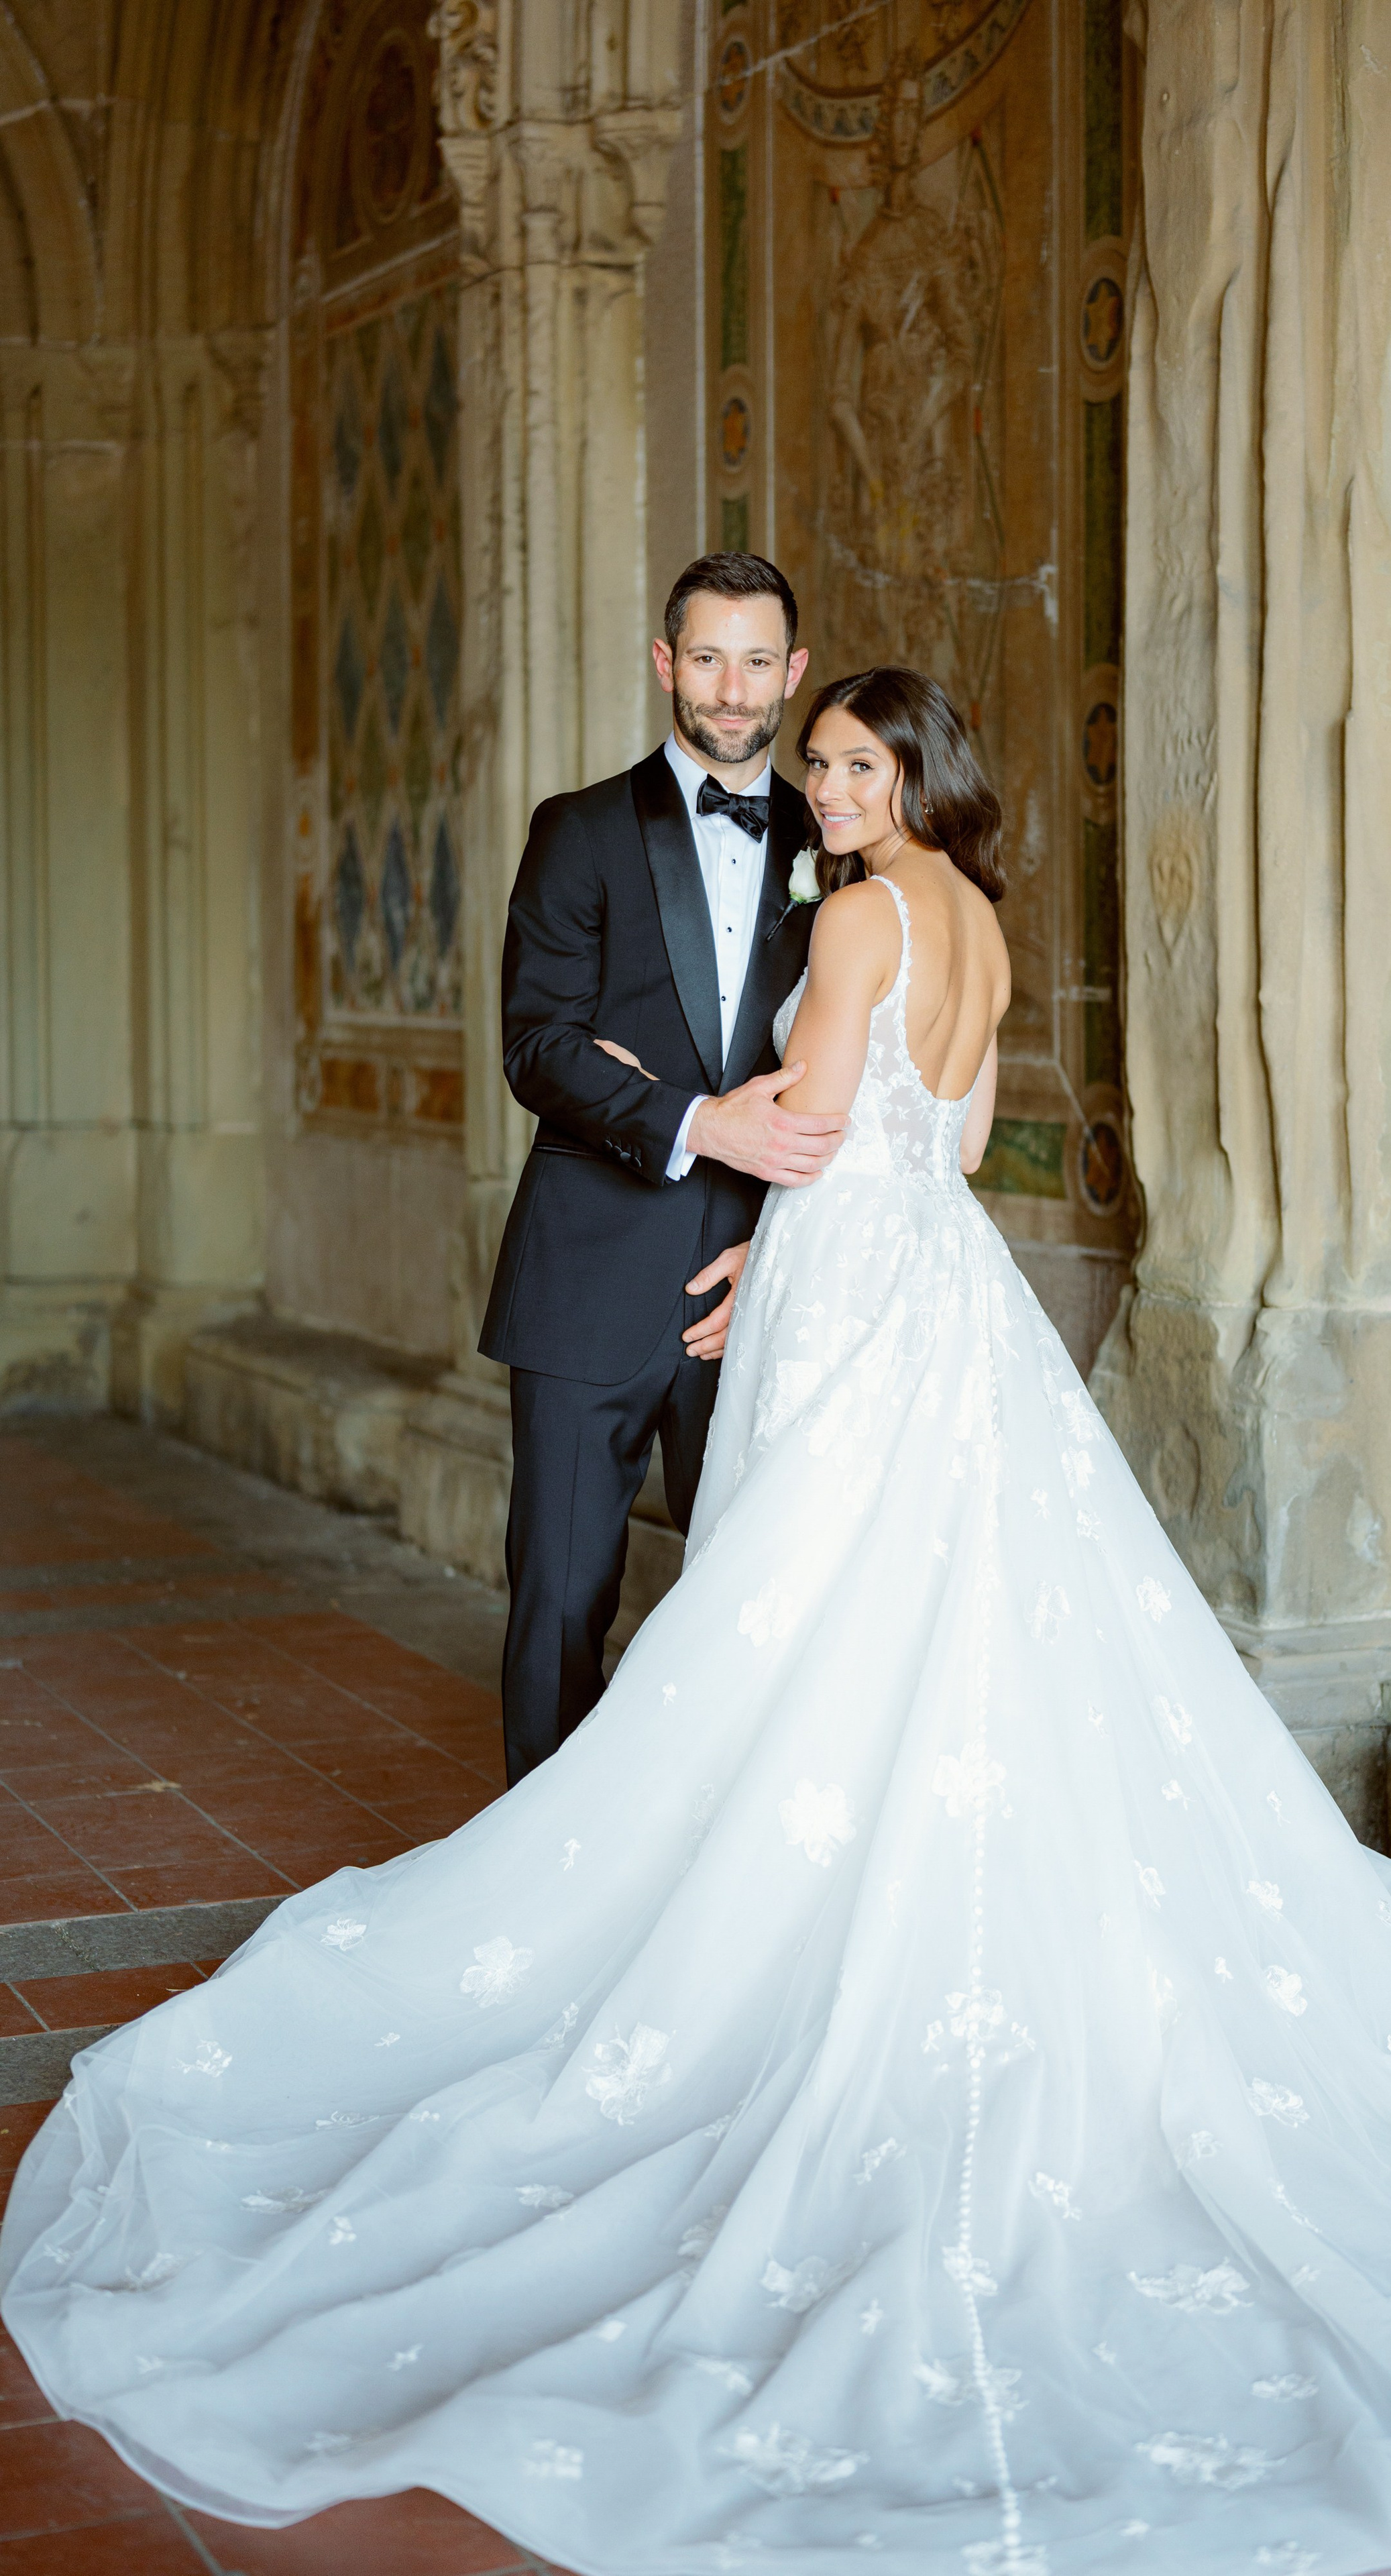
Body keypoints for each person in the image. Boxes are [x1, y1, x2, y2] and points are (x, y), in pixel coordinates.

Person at [4, 669, 1391, 2576]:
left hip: (856, 1317)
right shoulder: (980, 923)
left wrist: (737, 1201)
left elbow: (808, 1127)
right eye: (814, 758)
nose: (823, 783)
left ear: (915, 779)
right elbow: (944, 1155)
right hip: (946, 1315)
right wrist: (770, 1255)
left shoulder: (851, 915)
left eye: (853, 761)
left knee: (799, 1630)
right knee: (958, 1632)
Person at [478, 551, 842, 1786]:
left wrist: (789, 1241)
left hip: (763, 1281)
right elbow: (537, 1045)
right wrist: (697, 1119)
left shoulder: (834, 846)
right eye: (705, 658)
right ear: (663, 663)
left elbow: (861, 1085)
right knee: (561, 1605)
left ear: (792, 671)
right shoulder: (578, 831)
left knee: (750, 1610)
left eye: (757, 661)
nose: (731, 692)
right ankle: (535, 1886)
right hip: (589, 1280)